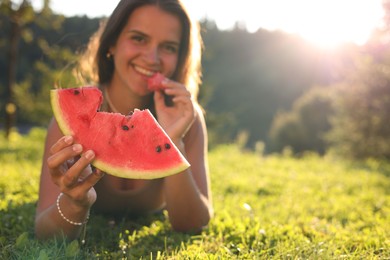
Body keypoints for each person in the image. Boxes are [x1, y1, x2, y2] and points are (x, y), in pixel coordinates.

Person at [35, 0, 213, 241]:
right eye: (138, 38)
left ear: (179, 57)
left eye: (169, 47)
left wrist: (174, 142)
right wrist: (75, 203)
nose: (152, 58)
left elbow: (192, 223)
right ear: (111, 43)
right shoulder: (73, 120)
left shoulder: (187, 119)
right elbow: (44, 232)